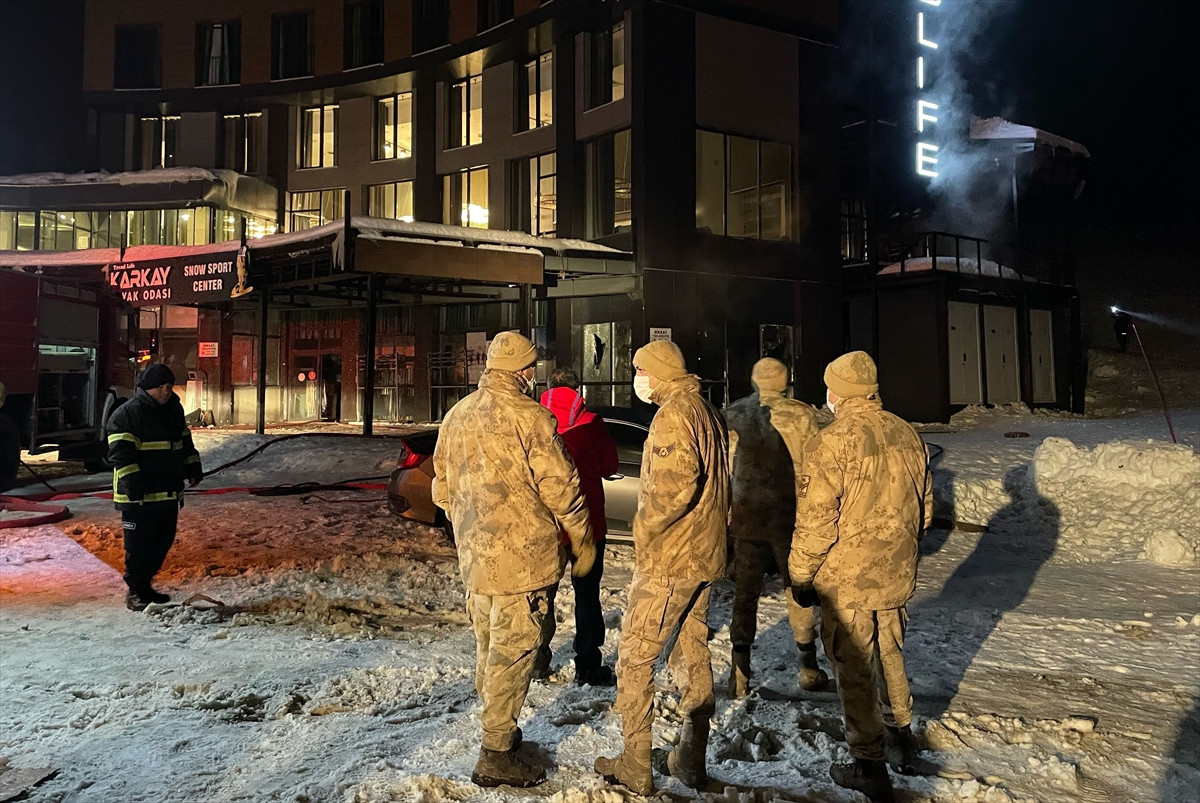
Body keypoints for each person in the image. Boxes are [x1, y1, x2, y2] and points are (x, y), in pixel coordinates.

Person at [431, 331, 596, 789]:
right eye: (531, 368)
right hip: (523, 563)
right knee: (515, 651)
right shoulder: (533, 419)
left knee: (489, 648)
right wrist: (582, 540)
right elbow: (563, 490)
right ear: (524, 371)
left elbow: (441, 489)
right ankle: (496, 753)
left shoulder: (457, 415)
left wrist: (473, 526)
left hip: (476, 561)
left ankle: (499, 732)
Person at [789, 351, 933, 803]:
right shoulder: (908, 434)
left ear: (838, 393)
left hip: (847, 578)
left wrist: (800, 574)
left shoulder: (832, 442)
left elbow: (816, 521)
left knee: (853, 668)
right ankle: (901, 736)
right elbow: (925, 511)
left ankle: (868, 765)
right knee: (892, 653)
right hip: (895, 572)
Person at [595, 340, 729, 794]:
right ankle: (691, 755)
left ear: (658, 372)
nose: (637, 377)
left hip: (673, 558)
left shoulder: (675, 415)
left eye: (639, 369)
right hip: (704, 553)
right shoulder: (706, 410)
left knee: (635, 657)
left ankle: (635, 761)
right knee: (691, 650)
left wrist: (644, 528)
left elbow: (676, 486)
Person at [723, 357, 827, 697]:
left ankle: (739, 670)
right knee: (797, 589)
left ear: (754, 380)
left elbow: (727, 469)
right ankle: (808, 666)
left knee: (745, 593)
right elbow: (814, 468)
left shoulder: (735, 413)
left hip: (746, 517)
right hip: (789, 518)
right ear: (785, 381)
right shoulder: (801, 415)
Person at [535, 367, 620, 686]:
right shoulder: (593, 423)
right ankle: (587, 664)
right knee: (587, 595)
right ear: (576, 390)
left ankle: (537, 659)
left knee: (543, 593)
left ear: (548, 389)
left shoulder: (534, 420)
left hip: (547, 525)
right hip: (588, 525)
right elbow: (609, 465)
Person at [106, 363, 204, 611]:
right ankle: (136, 591)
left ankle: (144, 586)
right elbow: (120, 454)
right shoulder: (127, 415)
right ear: (148, 388)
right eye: (162, 387)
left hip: (167, 491)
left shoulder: (173, 410)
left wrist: (192, 465)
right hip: (138, 496)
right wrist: (132, 482)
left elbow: (184, 441)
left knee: (162, 541)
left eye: (169, 387)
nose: (167, 392)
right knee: (139, 547)